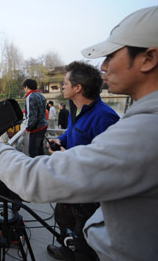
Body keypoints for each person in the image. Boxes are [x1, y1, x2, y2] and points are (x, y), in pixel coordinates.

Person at [0, 4, 158, 260]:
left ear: (148, 59)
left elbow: (35, 178)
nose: (104, 66)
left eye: (111, 56)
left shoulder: (154, 130)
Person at [47, 61, 120, 260]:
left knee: (84, 230)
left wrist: (64, 156)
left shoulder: (105, 118)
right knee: (63, 219)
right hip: (68, 180)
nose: (62, 86)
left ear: (78, 87)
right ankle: (66, 249)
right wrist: (60, 140)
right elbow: (71, 133)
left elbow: (106, 164)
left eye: (65, 83)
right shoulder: (75, 108)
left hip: (88, 190)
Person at [23, 79, 47, 157]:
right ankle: (44, 167)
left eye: (24, 87)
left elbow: (32, 116)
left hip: (36, 129)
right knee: (40, 150)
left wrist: (28, 128)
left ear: (27, 87)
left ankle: (37, 169)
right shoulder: (41, 96)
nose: (24, 89)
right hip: (43, 126)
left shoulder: (30, 97)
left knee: (33, 153)